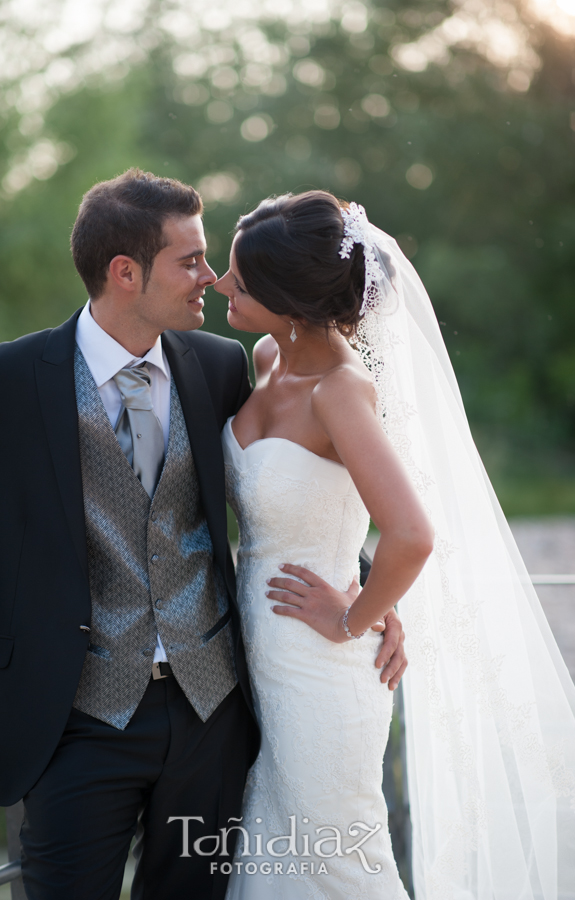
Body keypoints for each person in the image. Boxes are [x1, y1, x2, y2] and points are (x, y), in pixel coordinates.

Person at [0, 169, 407, 900]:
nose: (209, 275)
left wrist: (364, 588)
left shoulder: (220, 364)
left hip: (213, 718)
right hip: (71, 721)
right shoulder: (1, 384)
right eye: (189, 260)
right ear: (124, 272)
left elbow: (296, 484)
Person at [215, 190, 575, 898]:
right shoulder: (265, 356)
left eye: (241, 280)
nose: (221, 286)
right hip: (257, 663)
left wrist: (353, 617)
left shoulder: (339, 392)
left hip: (320, 676)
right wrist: (360, 581)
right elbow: (322, 507)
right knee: (274, 866)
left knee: (336, 863)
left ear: (289, 302)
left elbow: (410, 534)